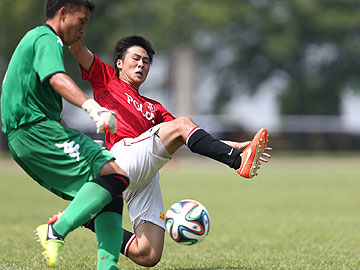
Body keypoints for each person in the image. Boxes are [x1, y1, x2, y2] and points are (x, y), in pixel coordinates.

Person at [49, 35, 271, 267]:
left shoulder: (154, 107)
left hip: (143, 174)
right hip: (121, 158)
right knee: (182, 123)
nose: (141, 65)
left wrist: (232, 144)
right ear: (119, 63)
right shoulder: (105, 78)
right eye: (135, 58)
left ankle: (89, 218)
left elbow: (188, 134)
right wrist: (72, 28)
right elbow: (78, 48)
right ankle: (237, 162)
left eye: (146, 62)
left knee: (148, 254)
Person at [0, 1, 130, 269]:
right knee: (116, 176)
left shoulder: (37, 40)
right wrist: (92, 107)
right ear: (63, 14)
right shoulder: (46, 38)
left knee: (110, 180)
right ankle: (56, 230)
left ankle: (108, 266)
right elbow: (56, 78)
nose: (83, 30)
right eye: (80, 21)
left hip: (33, 133)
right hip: (35, 131)